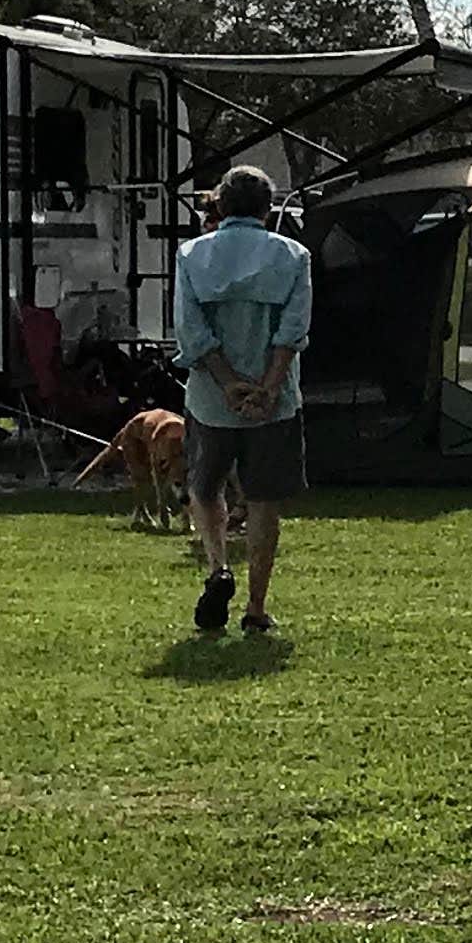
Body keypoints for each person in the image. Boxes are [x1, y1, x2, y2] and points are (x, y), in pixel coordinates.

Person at [171, 166, 315, 636]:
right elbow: (292, 329)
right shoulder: (293, 256)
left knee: (205, 488)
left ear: (220, 204)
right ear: (268, 209)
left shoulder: (191, 254)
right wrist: (268, 385)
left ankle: (218, 566)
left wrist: (227, 381)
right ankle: (256, 606)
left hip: (210, 400)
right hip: (274, 404)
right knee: (263, 501)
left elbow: (190, 330)